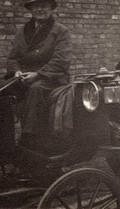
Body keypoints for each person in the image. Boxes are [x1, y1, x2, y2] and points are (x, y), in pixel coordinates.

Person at [5, 0, 71, 149]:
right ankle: (6, 143)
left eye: (44, 6)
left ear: (51, 9)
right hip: (24, 77)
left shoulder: (60, 31)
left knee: (36, 89)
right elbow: (13, 57)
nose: (40, 9)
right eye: (36, 6)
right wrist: (16, 71)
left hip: (52, 78)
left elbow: (61, 61)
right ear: (31, 9)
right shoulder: (23, 31)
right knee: (2, 90)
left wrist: (38, 74)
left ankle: (28, 139)